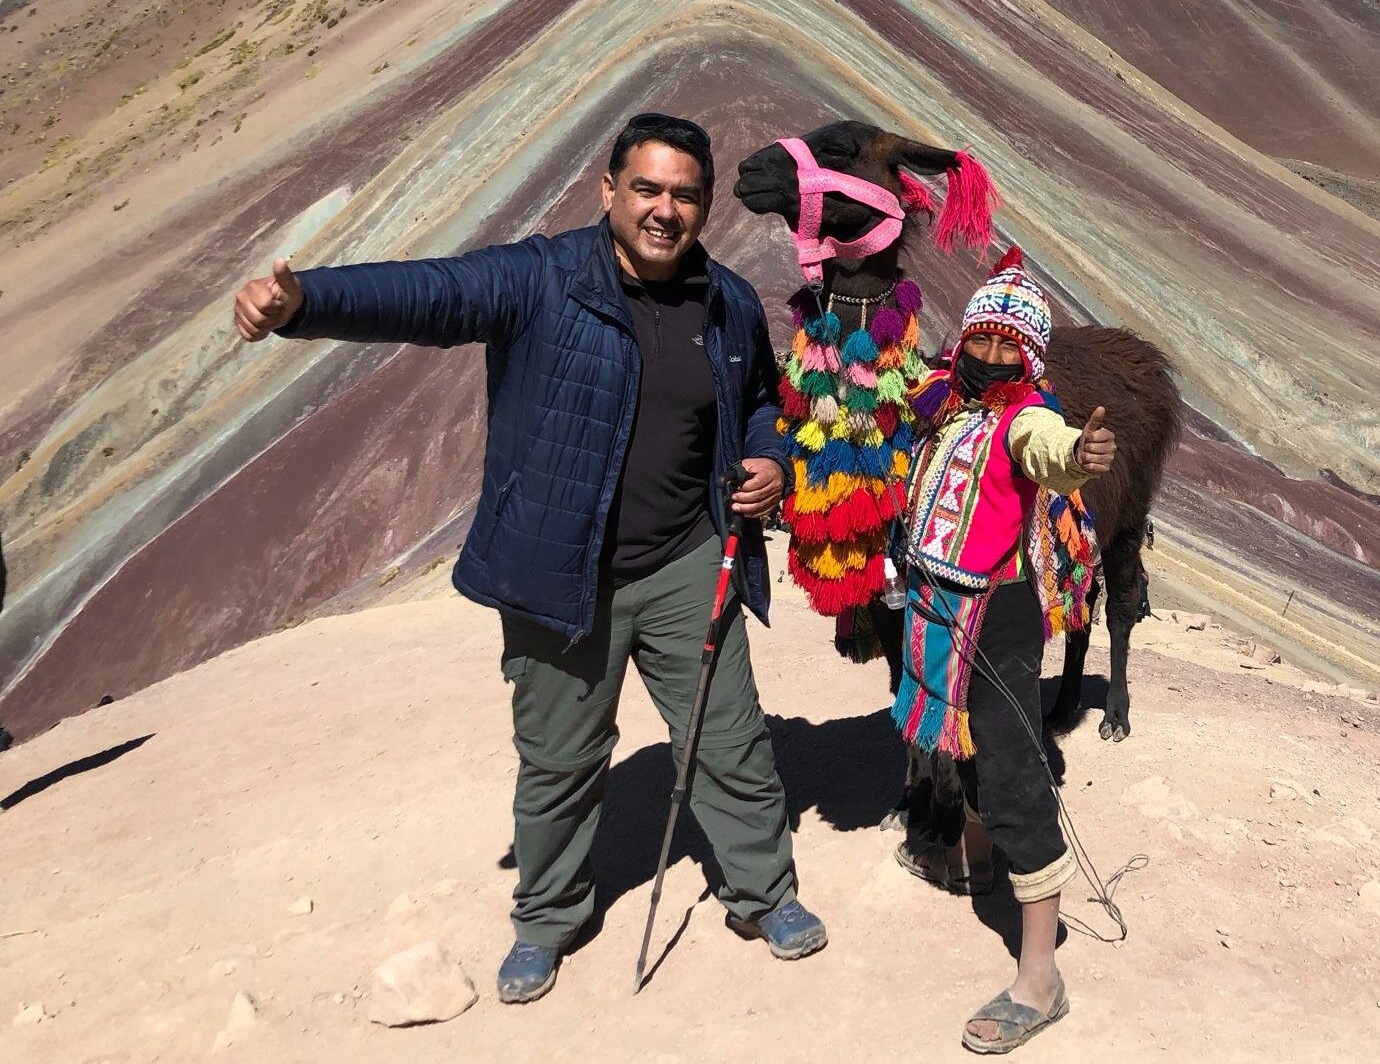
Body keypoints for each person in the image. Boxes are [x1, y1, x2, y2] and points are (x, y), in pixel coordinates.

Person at [230, 112, 826, 1003]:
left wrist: (770, 455)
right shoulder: (541, 279)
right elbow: (432, 294)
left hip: (686, 562)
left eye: (684, 195)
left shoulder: (727, 300)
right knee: (559, 759)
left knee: (728, 738)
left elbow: (758, 400)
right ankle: (548, 918)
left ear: (705, 207)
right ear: (608, 190)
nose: (664, 210)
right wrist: (305, 303)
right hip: (561, 573)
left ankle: (764, 893)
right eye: (647, 188)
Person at [890, 249, 1115, 1054]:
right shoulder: (951, 410)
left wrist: (1078, 456)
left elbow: (1048, 446)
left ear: (1030, 356)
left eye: (1006, 346)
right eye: (980, 338)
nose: (989, 355)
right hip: (943, 604)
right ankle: (976, 865)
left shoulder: (1024, 418)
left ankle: (1040, 979)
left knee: (1014, 768)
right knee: (969, 746)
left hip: (996, 614)